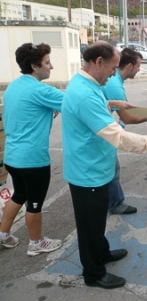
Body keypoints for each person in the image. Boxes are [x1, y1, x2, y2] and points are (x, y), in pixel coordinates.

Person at [62, 41, 147, 289]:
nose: (114, 73)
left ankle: (101, 252)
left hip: (97, 169)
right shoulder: (83, 93)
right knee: (89, 226)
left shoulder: (88, 84)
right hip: (87, 174)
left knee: (97, 222)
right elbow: (119, 137)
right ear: (98, 62)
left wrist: (115, 104)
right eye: (113, 68)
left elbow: (97, 108)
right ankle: (93, 273)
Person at [0, 43, 64, 256]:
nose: (51, 66)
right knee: (34, 203)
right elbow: (77, 102)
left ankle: (3, 234)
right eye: (47, 62)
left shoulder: (14, 86)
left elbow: (28, 113)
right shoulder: (40, 89)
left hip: (12, 156)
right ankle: (36, 244)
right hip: (32, 159)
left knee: (18, 194)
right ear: (35, 66)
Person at [102, 48, 147, 215]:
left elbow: (128, 109)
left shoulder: (115, 81)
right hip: (102, 136)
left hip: (102, 132)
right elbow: (128, 118)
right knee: (111, 168)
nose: (139, 69)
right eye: (138, 66)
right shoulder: (115, 85)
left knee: (109, 168)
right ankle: (115, 204)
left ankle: (112, 201)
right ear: (129, 66)